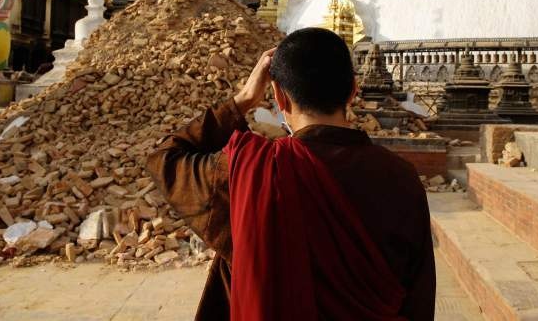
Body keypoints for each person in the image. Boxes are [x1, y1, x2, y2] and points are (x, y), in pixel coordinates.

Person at [147, 27, 435, 320]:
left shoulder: (248, 173)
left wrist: (244, 99)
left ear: (278, 97)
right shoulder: (402, 179)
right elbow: (418, 296)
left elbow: (164, 158)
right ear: (353, 92)